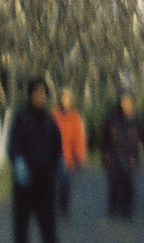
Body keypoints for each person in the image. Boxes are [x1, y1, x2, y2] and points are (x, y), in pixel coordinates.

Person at [7, 76, 63, 243]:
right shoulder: (21, 118)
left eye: (43, 93)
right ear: (30, 95)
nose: (40, 97)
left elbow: (56, 145)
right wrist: (18, 162)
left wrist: (59, 162)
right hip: (25, 184)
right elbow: (13, 145)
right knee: (21, 228)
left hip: (45, 182)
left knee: (49, 228)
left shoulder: (49, 120)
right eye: (36, 93)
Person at [100, 91, 141, 220]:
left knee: (128, 183)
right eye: (123, 101)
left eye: (128, 101)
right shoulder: (111, 118)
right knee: (114, 183)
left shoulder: (136, 119)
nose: (125, 104)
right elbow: (104, 137)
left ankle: (127, 210)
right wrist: (105, 152)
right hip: (113, 155)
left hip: (130, 156)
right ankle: (113, 206)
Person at [52, 87, 87, 218]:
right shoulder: (53, 115)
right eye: (63, 98)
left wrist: (80, 156)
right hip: (53, 156)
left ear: (71, 101)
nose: (65, 101)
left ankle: (63, 207)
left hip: (68, 157)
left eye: (67, 98)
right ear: (59, 99)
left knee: (65, 183)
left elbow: (79, 138)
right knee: (53, 184)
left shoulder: (75, 117)